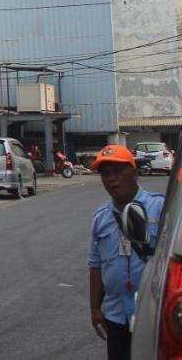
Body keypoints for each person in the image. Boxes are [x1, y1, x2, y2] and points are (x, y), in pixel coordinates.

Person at [88, 144, 165, 360]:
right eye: (106, 173)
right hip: (116, 316)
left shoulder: (160, 208)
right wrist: (94, 308)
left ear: (135, 172)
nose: (112, 179)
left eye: (119, 171)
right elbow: (95, 265)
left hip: (153, 314)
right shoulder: (101, 218)